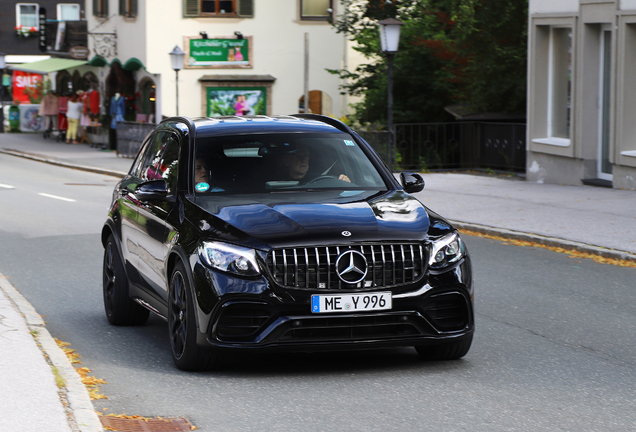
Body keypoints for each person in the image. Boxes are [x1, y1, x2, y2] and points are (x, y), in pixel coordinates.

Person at [281, 146, 351, 183]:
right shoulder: (276, 183)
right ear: (287, 162)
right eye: (298, 156)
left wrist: (344, 181)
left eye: (306, 156)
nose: (303, 160)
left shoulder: (319, 180)